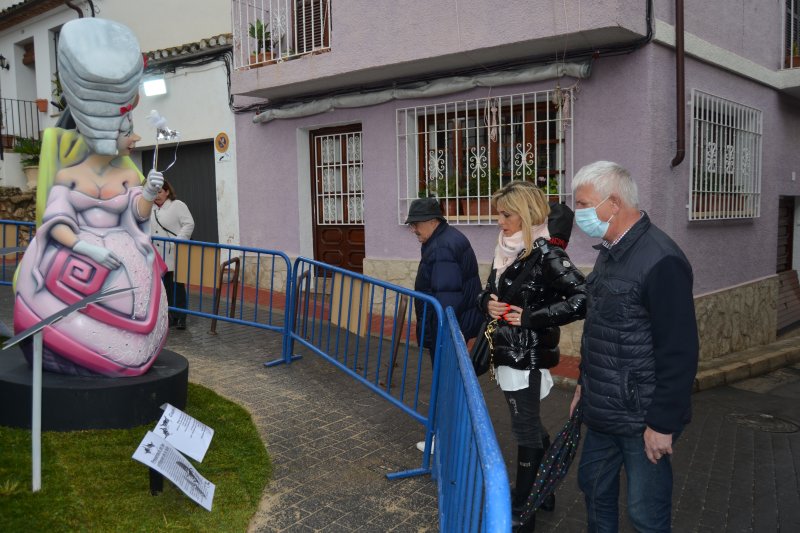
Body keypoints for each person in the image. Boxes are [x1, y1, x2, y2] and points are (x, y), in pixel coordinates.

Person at [13, 18, 168, 376]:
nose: (134, 137)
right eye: (127, 130)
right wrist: (85, 248)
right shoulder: (67, 175)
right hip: (78, 257)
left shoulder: (129, 173)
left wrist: (147, 192)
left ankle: (127, 355)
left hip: (122, 258)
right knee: (54, 294)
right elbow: (55, 221)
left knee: (134, 306)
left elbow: (137, 215)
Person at [569, 161, 699, 533]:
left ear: (612, 204)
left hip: (641, 418)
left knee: (646, 514)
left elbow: (680, 350)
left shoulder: (662, 259)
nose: (577, 213)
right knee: (594, 489)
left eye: (582, 203)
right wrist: (584, 381)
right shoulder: (611, 251)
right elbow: (602, 328)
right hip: (603, 409)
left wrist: (661, 423)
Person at [478, 181, 587, 532]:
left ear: (525, 214)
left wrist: (530, 317)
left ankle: (524, 507)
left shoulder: (546, 254)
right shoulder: (507, 249)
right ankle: (542, 488)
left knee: (524, 428)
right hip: (508, 350)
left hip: (526, 355)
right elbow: (487, 293)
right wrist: (487, 304)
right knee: (528, 424)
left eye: (506, 214)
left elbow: (582, 298)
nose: (499, 221)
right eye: (499, 213)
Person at [405, 197, 483, 452]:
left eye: (416, 224)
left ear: (431, 221)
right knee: (454, 385)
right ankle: (454, 437)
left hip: (447, 331)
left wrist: (441, 336)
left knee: (446, 386)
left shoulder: (441, 247)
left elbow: (446, 299)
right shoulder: (447, 238)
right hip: (457, 326)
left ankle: (445, 441)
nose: (413, 230)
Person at [150, 181, 195, 330]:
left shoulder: (177, 205)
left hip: (173, 253)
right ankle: (170, 316)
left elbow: (189, 224)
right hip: (157, 255)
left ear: (167, 192)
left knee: (176, 286)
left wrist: (179, 239)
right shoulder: (151, 208)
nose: (157, 195)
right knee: (164, 288)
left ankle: (181, 317)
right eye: (154, 192)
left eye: (160, 192)